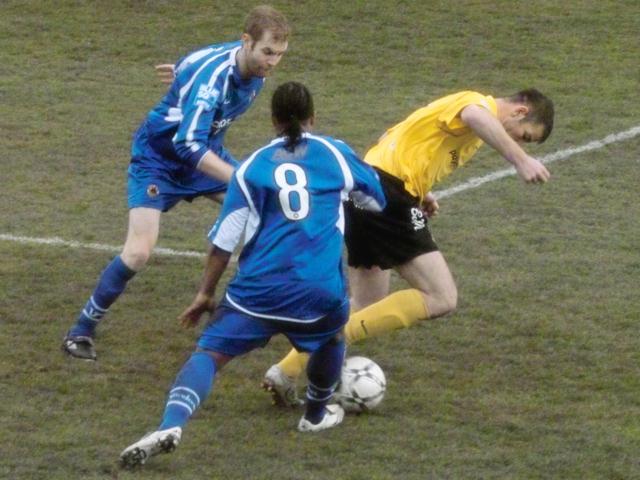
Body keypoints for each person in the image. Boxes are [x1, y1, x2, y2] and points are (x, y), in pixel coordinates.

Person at [118, 81, 386, 468]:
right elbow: (375, 199)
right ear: (313, 118)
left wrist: (205, 294)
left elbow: (222, 245)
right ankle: (315, 416)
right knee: (331, 336)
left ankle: (171, 424)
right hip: (317, 290)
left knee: (208, 355)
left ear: (274, 121)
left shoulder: (252, 167)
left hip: (256, 291)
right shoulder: (336, 153)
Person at [262, 88, 555, 406]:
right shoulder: (477, 104)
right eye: (525, 137)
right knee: (442, 297)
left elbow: (397, 135)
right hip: (387, 194)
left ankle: (285, 371)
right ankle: (331, 338)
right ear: (520, 112)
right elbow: (474, 114)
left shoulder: (459, 119)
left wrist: (420, 191)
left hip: (369, 189)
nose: (519, 142)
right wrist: (520, 159)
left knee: (365, 304)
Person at [62, 5, 290, 361]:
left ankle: (252, 313)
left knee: (267, 210)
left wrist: (183, 76)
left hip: (203, 156)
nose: (273, 62)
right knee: (138, 251)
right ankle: (81, 330)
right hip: (159, 160)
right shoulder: (216, 79)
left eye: (279, 54)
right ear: (246, 42)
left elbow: (191, 65)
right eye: (267, 52)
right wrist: (240, 177)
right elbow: (186, 144)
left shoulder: (251, 70)